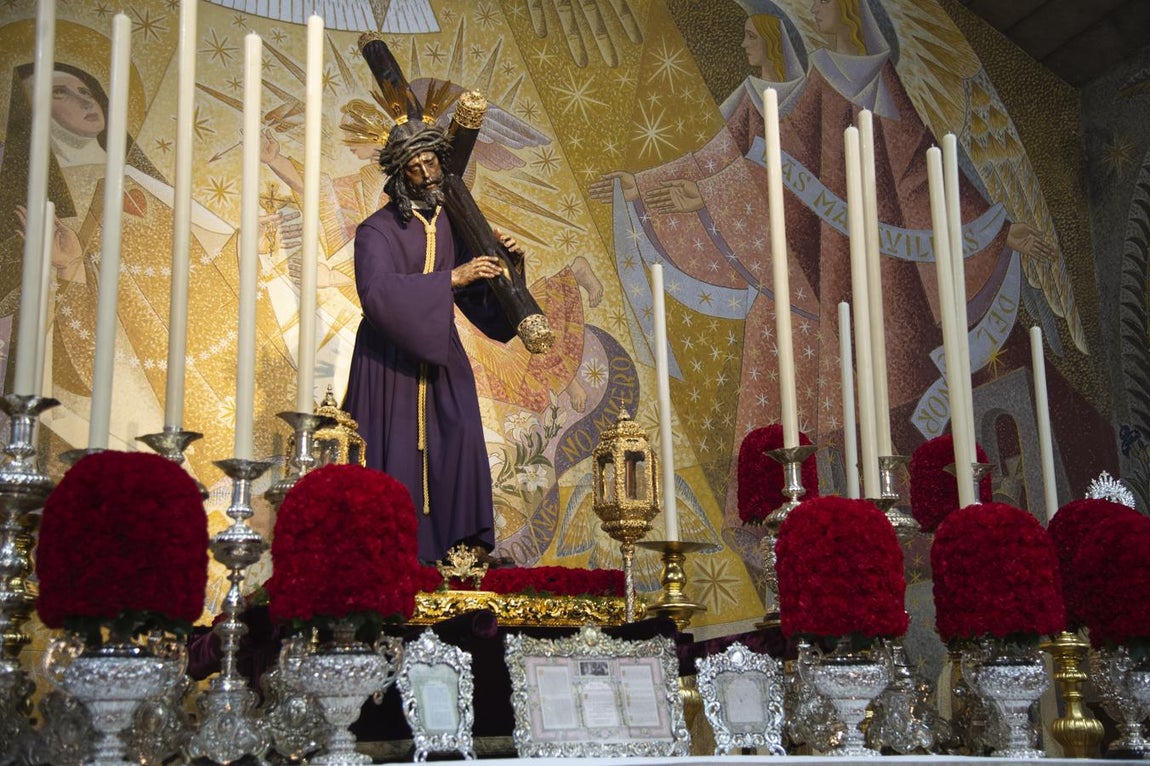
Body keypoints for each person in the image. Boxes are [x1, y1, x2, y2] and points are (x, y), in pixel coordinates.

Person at [342, 118, 524, 563]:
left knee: (459, 435)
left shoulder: (452, 225)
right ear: (398, 174)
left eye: (431, 162)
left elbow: (483, 300)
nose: (427, 174)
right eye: (415, 167)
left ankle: (459, 552)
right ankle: (391, 558)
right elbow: (377, 293)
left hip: (441, 356)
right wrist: (450, 278)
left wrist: (508, 265)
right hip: (389, 361)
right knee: (393, 451)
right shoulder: (375, 231)